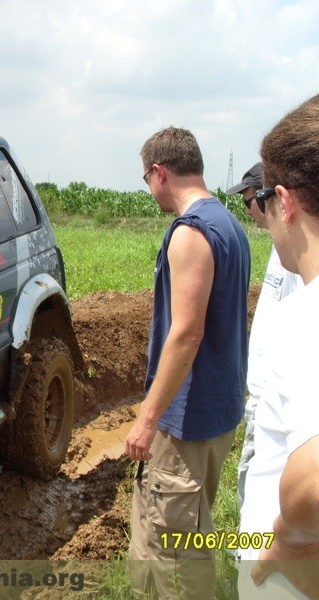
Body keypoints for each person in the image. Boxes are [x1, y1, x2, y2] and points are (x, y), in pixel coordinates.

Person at [125, 127, 251, 598]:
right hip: (216, 411)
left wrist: (147, 417)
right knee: (176, 531)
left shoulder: (191, 233)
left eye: (145, 178)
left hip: (187, 421)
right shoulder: (230, 225)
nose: (149, 189)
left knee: (177, 553)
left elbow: (187, 333)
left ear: (160, 172)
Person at [238, 93, 319, 599]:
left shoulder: (307, 317)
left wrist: (290, 537)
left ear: (285, 201)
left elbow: (312, 481)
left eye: (266, 200)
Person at [229, 162, 302, 513]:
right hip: (262, 391)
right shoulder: (279, 245)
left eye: (251, 199)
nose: (251, 209)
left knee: (257, 499)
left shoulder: (297, 250)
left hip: (275, 394)